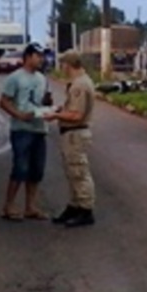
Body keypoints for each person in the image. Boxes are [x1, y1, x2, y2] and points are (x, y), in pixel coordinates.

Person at [0, 43, 51, 221]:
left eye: (42, 56)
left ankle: (31, 207)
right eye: (38, 56)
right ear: (28, 57)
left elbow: (43, 99)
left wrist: (48, 107)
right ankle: (9, 206)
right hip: (21, 130)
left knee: (37, 170)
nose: (41, 59)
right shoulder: (15, 78)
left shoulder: (42, 78)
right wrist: (19, 115)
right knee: (20, 168)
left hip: (39, 128)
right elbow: (4, 101)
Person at [44, 50, 96, 228]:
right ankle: (75, 205)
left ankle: (85, 209)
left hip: (75, 132)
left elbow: (76, 115)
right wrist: (60, 110)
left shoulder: (79, 86)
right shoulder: (80, 82)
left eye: (63, 64)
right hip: (72, 133)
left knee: (79, 173)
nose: (62, 68)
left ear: (69, 64)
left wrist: (55, 116)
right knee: (73, 172)